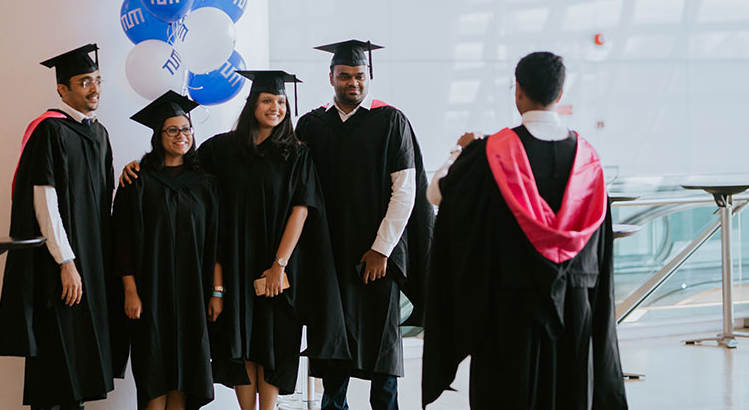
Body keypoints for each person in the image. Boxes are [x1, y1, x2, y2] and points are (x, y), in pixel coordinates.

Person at [120, 71, 349, 410]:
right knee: (241, 341)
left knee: (274, 342)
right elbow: (180, 165)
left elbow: (301, 210)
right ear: (252, 104)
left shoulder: (296, 154)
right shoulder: (222, 149)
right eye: (267, 100)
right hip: (236, 264)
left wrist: (279, 264)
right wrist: (138, 164)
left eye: (281, 102)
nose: (275, 107)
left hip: (278, 267)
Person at [421, 52, 628, 409]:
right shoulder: (589, 162)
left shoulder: (490, 153)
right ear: (560, 95)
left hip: (508, 308)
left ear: (517, 91)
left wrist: (459, 151)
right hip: (575, 308)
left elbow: (437, 194)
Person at [295, 40, 434, 410]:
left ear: (368, 76)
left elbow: (404, 191)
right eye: (344, 76)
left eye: (359, 76)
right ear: (331, 77)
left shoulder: (390, 121)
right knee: (333, 351)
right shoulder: (311, 124)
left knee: (382, 354)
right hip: (328, 254)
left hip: (375, 258)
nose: (352, 83)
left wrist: (381, 249)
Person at [0, 44, 116, 410]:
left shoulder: (99, 134)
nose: (93, 89)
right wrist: (66, 261)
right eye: (83, 82)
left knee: (78, 357)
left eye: (96, 80)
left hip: (88, 262)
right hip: (59, 264)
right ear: (62, 90)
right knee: (55, 360)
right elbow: (43, 201)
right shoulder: (50, 131)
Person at [111, 91, 221, 410]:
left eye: (185, 129)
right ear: (158, 136)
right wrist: (130, 292)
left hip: (193, 296)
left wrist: (217, 293)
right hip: (151, 293)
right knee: (153, 372)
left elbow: (216, 242)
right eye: (172, 130)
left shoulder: (205, 184)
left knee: (186, 376)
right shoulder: (138, 182)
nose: (181, 136)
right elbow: (123, 241)